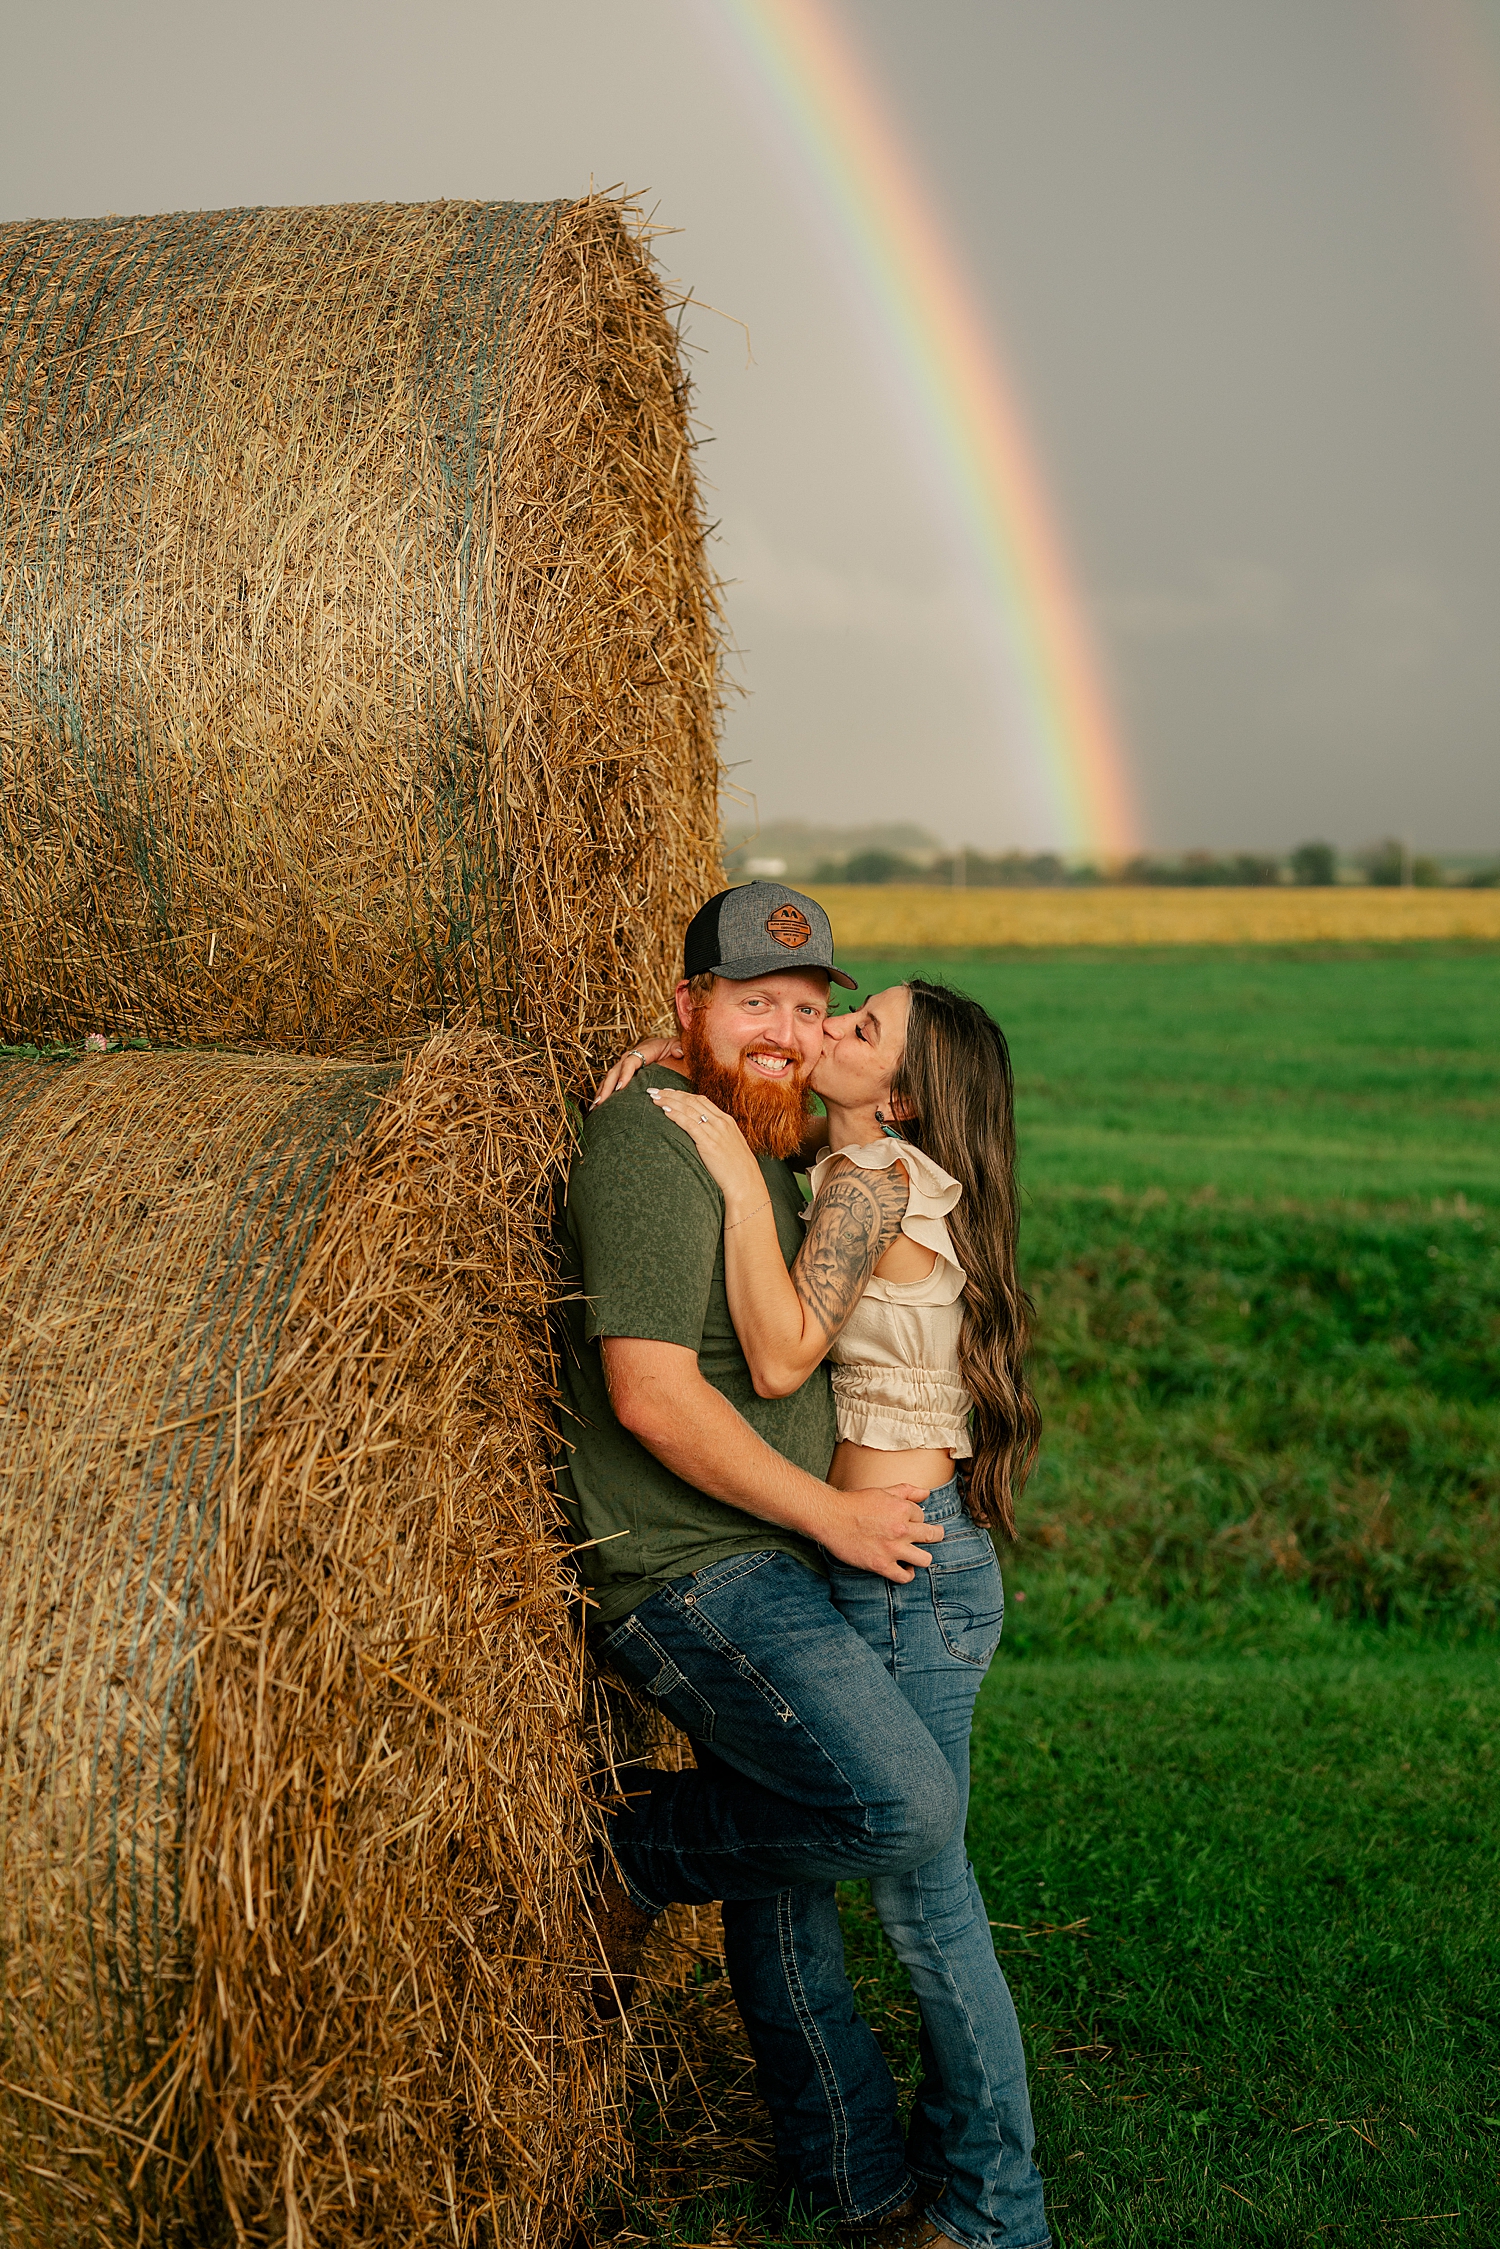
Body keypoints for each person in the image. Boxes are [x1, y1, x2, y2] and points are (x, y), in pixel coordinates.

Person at [600, 970, 1049, 2249]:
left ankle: (993, 2215)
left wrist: (736, 1179)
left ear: (901, 1092)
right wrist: (678, 1056)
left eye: (853, 1030)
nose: (818, 1036)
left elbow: (790, 1351)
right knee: (821, 1852)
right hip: (875, 1557)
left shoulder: (871, 1180)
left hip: (907, 1570)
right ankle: (848, 2168)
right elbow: (753, 1079)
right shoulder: (848, 1163)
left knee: (927, 1900)